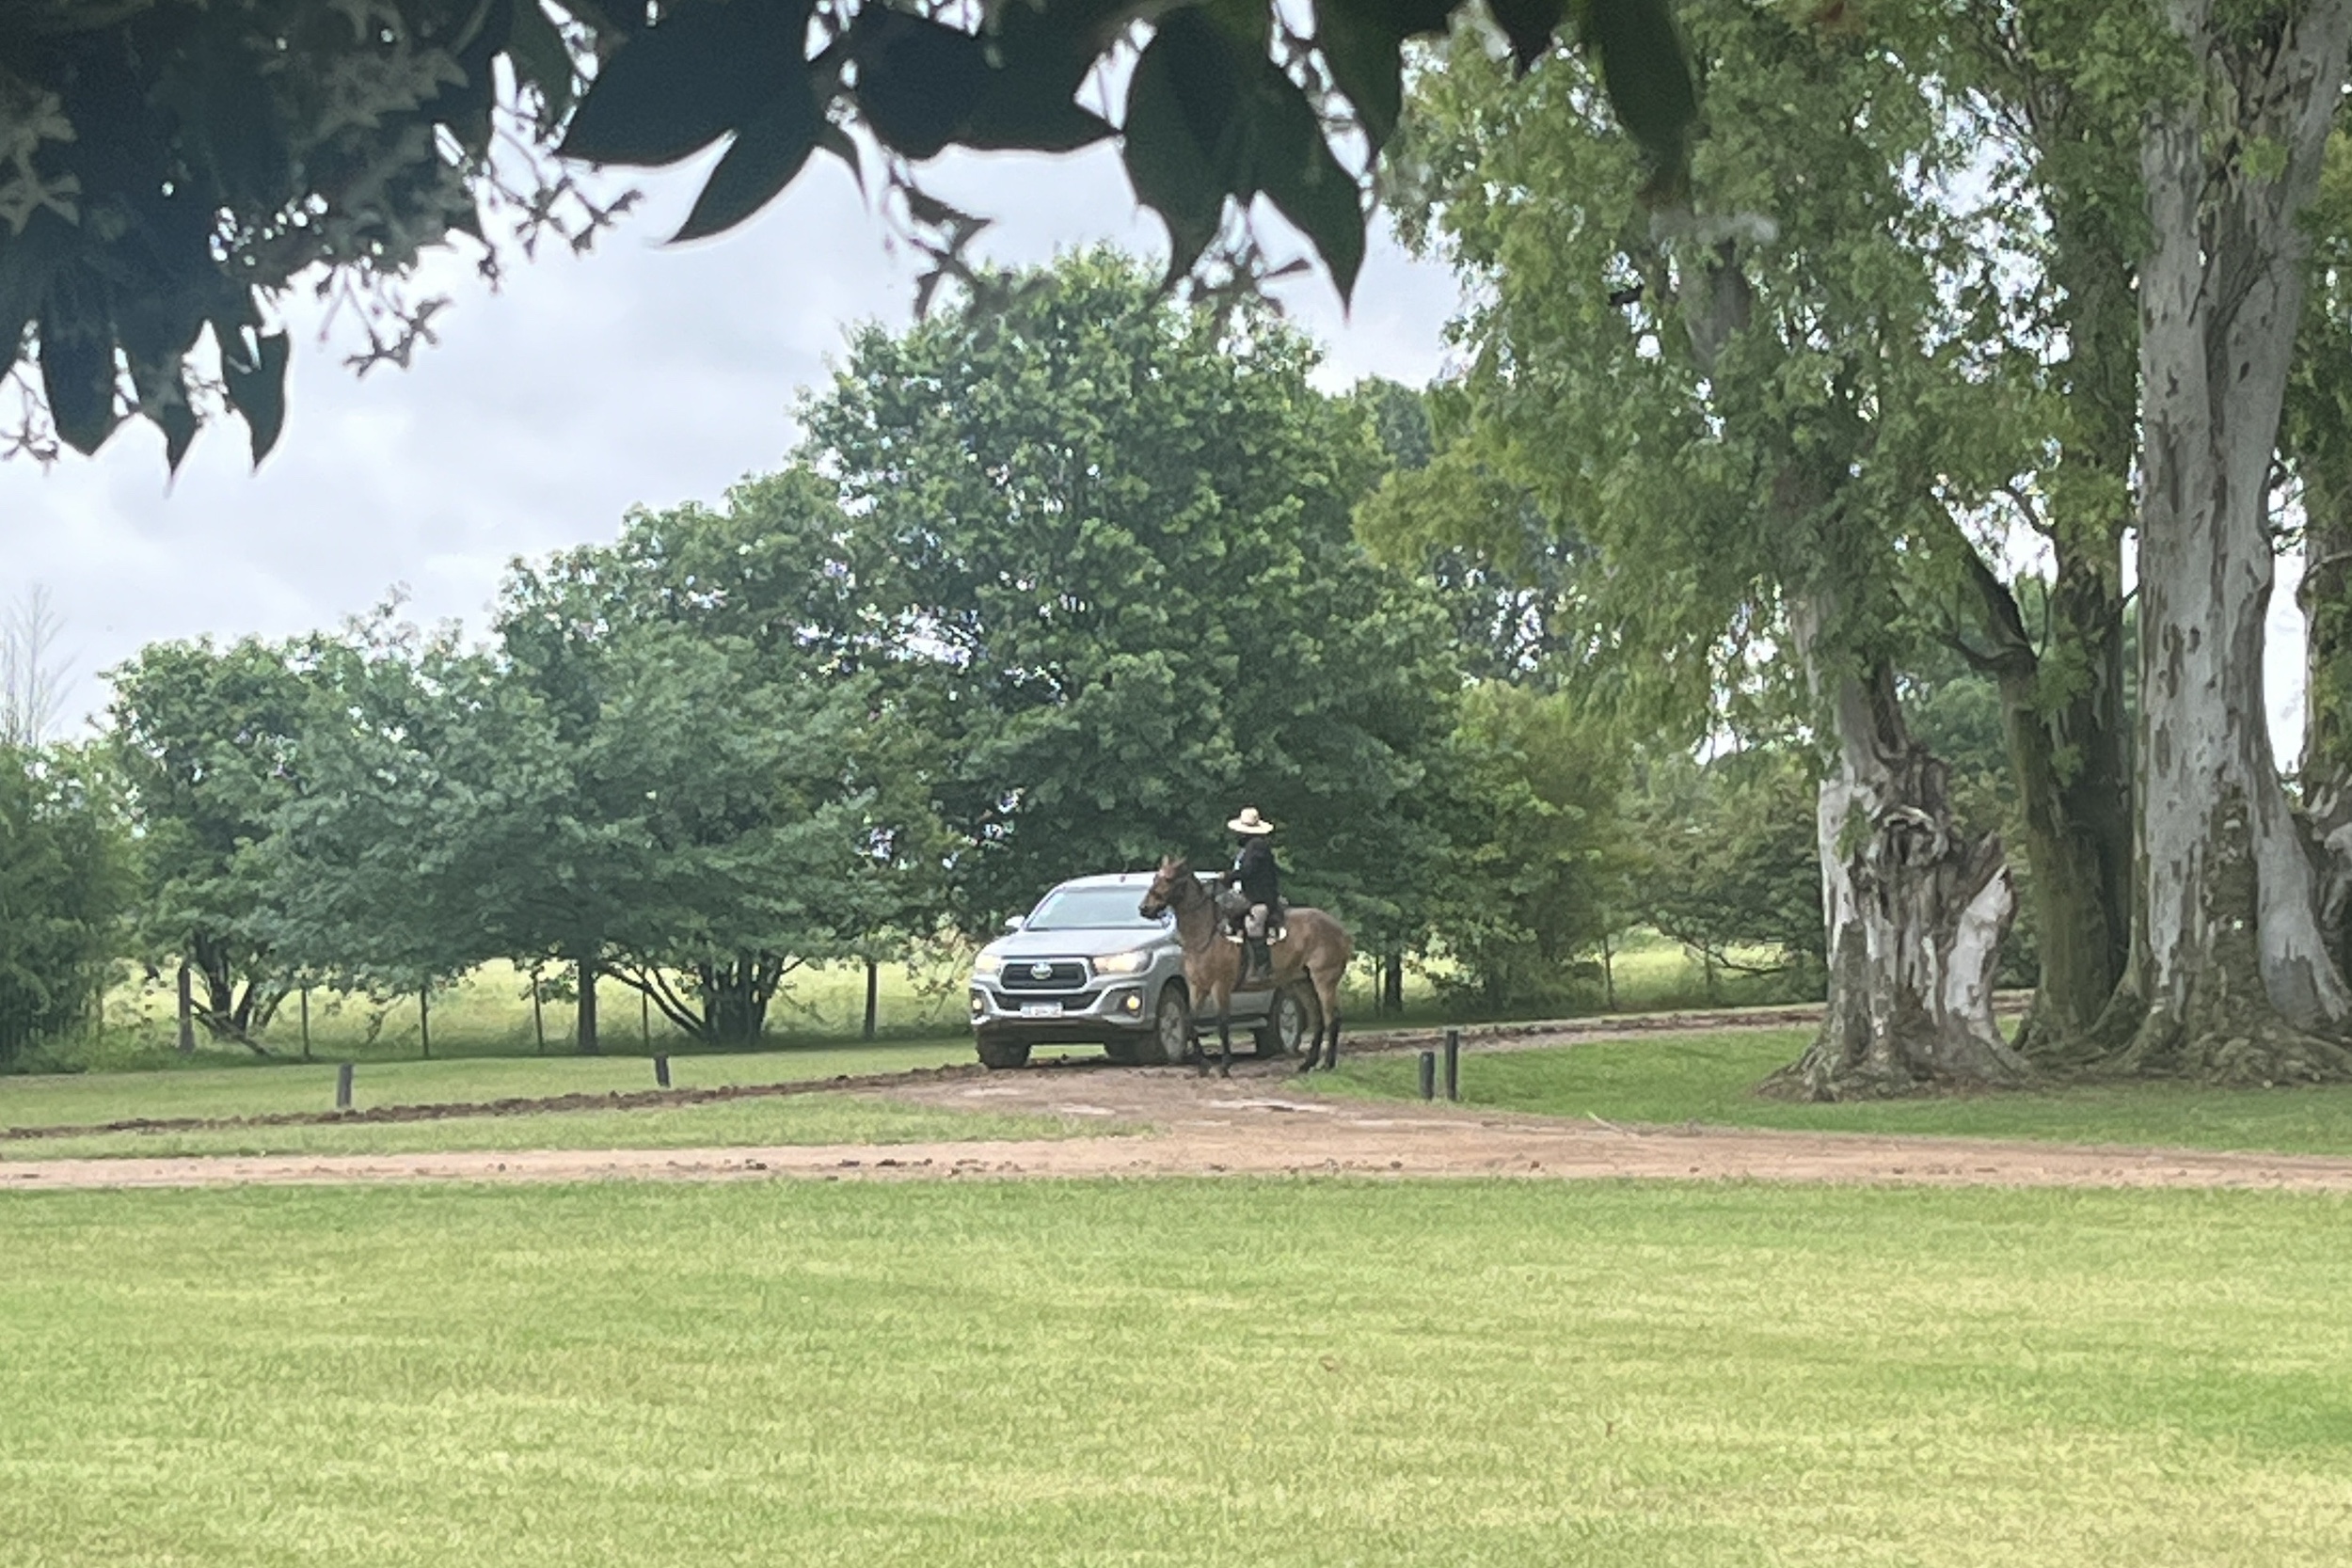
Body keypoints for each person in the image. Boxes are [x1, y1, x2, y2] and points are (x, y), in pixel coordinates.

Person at [1223, 807, 1281, 983]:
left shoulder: (1256, 847)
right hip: (1248, 895)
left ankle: (1264, 966)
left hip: (1260, 897)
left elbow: (1247, 871)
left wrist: (1228, 876)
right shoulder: (1250, 847)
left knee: (1253, 926)